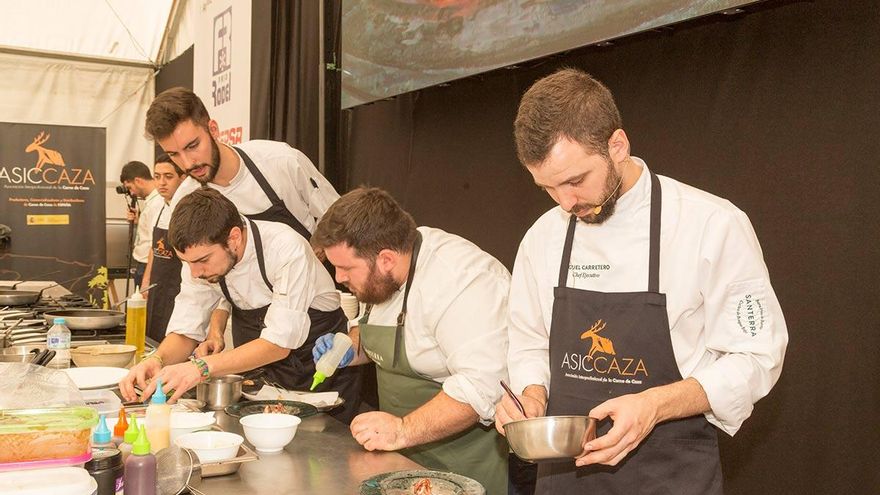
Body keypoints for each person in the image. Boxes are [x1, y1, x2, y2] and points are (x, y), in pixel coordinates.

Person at [494, 68, 788, 494]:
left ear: (617, 145)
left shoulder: (711, 225)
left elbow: (758, 358)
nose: (566, 202)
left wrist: (654, 404)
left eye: (576, 181)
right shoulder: (543, 237)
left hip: (670, 475)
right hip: (565, 479)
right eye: (549, 188)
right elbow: (528, 342)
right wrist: (532, 395)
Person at [310, 187, 510, 495]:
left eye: (346, 268)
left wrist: (403, 430)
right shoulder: (383, 275)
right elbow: (377, 331)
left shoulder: (463, 281)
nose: (338, 278)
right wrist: (350, 349)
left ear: (386, 259)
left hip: (463, 465)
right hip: (397, 461)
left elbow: (481, 387)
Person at [118, 188, 360, 424]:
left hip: (321, 372)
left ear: (234, 238)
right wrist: (158, 360)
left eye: (202, 261)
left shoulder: (285, 247)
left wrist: (198, 368)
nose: (195, 272)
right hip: (265, 380)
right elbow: (186, 330)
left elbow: (278, 344)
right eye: (187, 262)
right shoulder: (198, 257)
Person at [144, 87, 339, 242]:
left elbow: (336, 218)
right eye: (173, 155)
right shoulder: (185, 200)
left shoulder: (281, 161)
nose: (187, 163)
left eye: (193, 146)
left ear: (213, 129)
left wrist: (315, 251)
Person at [141, 154, 230, 349]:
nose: (161, 183)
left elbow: (219, 296)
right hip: (160, 287)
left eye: (168, 176)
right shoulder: (158, 208)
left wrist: (215, 331)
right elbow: (153, 246)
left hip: (177, 287)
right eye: (157, 176)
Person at [120, 161, 162, 289]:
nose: (131, 193)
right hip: (142, 264)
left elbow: (154, 242)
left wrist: (146, 278)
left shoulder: (157, 203)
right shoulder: (151, 202)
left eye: (130, 187)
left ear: (138, 181)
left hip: (147, 265)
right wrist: (139, 220)